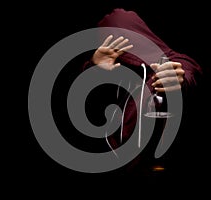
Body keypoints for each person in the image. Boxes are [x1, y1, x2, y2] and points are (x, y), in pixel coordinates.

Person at [79, 8, 203, 176]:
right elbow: (87, 111)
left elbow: (186, 68)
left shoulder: (166, 66)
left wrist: (182, 77)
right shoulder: (111, 73)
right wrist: (94, 70)